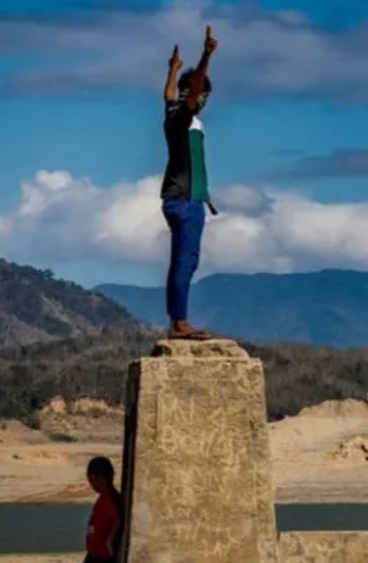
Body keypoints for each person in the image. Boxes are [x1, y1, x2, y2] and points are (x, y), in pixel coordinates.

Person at [160, 26, 218, 340]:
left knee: (181, 262)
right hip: (186, 200)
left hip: (177, 198)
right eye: (203, 95)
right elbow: (191, 90)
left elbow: (168, 94)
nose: (204, 99)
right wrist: (206, 55)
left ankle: (177, 320)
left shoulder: (172, 112)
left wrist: (172, 70)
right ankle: (179, 323)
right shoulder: (183, 117)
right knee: (186, 261)